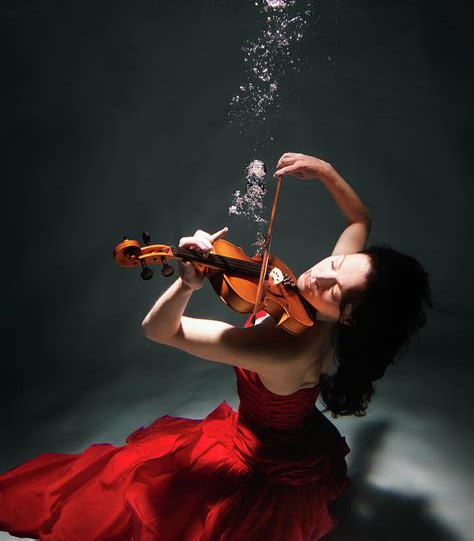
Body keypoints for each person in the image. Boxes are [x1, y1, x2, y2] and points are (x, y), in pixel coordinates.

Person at [0, 153, 431, 540]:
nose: (318, 276)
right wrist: (326, 172)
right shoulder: (322, 311)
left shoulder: (279, 348)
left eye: (335, 291)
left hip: (260, 463)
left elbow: (159, 330)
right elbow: (360, 223)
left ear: (351, 317)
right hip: (299, 440)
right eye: (335, 263)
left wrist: (187, 284)